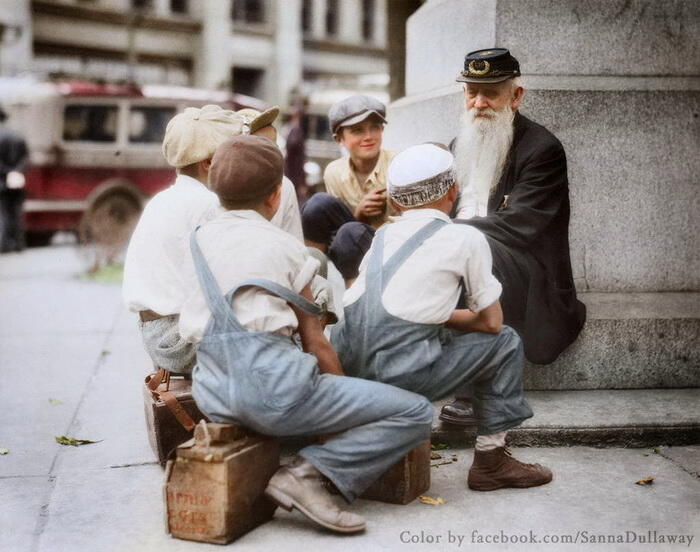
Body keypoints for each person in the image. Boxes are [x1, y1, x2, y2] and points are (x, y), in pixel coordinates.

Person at [178, 135, 433, 533]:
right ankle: (306, 476)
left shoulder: (194, 242)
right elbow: (316, 344)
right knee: (415, 411)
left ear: (215, 191)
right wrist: (342, 420)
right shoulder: (287, 249)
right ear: (275, 196)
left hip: (212, 395)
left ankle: (298, 464)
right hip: (277, 395)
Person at [331, 143, 553, 491]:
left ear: (397, 201)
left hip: (351, 369)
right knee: (506, 342)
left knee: (432, 332)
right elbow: (491, 323)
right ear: (453, 191)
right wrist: (445, 316)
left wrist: (434, 316)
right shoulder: (464, 236)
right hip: (400, 374)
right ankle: (491, 461)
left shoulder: (383, 235)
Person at [440, 48, 587, 426]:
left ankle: (472, 392)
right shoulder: (459, 145)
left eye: (490, 92)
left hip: (525, 269)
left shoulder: (543, 149)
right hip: (460, 252)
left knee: (475, 248)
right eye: (472, 92)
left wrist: (445, 236)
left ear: (516, 95)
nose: (479, 102)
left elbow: (518, 226)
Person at [123, 104, 307, 375]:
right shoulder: (208, 205)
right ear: (209, 163)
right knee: (294, 318)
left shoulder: (164, 199)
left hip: (157, 333)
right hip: (181, 340)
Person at [301, 94, 396, 283]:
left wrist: (358, 224)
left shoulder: (398, 164)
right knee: (316, 205)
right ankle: (315, 285)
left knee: (349, 233)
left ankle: (354, 305)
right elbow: (342, 232)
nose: (368, 137)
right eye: (357, 130)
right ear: (339, 139)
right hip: (351, 246)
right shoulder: (334, 172)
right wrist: (359, 215)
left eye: (374, 128)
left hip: (394, 247)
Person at [0, 107, 29, 253]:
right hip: (17, 178)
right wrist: (15, 171)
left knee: (3, 213)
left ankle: (4, 244)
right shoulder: (18, 136)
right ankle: (19, 243)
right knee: (16, 212)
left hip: (2, 180)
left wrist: (6, 171)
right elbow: (26, 158)